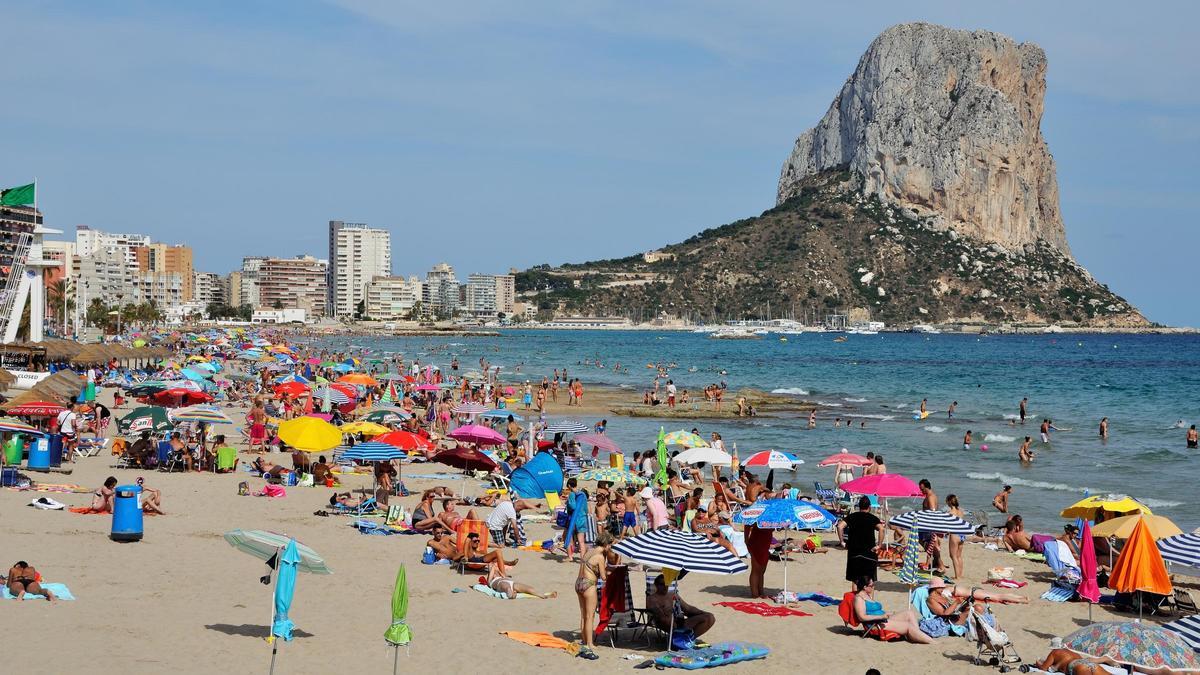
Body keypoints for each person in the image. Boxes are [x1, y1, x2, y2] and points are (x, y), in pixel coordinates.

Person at [852, 576, 932, 644]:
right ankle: (933, 642)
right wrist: (880, 616)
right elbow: (862, 617)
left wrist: (886, 613)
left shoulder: (867, 595)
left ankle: (917, 635)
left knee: (909, 613)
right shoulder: (859, 598)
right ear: (865, 587)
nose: (873, 587)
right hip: (876, 624)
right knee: (908, 626)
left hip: (882, 619)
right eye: (871, 585)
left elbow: (874, 610)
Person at [574, 531, 613, 660]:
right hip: (589, 584)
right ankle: (590, 643)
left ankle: (584, 641)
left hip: (578, 583)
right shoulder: (600, 556)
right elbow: (603, 577)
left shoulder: (589, 551)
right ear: (606, 544)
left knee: (583, 615)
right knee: (590, 616)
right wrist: (610, 572)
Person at [646, 573, 716, 643]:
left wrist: (703, 613)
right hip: (667, 625)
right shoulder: (651, 599)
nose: (665, 586)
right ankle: (678, 639)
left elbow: (688, 609)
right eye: (662, 584)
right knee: (666, 619)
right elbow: (658, 615)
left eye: (667, 584)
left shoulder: (673, 595)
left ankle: (687, 639)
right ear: (656, 585)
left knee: (710, 617)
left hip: (681, 623)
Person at [839, 496, 883, 586]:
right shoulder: (873, 518)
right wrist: (879, 545)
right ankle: (869, 600)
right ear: (869, 507)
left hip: (854, 552)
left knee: (855, 580)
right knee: (870, 580)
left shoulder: (852, 516)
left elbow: (840, 526)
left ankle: (855, 599)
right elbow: (881, 529)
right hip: (869, 552)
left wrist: (842, 542)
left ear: (859, 506)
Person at [945, 494, 966, 580]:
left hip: (954, 534)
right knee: (959, 556)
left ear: (949, 502)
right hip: (962, 534)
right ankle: (960, 574)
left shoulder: (950, 513)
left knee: (953, 556)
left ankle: (957, 576)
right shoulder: (961, 511)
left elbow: (947, 525)